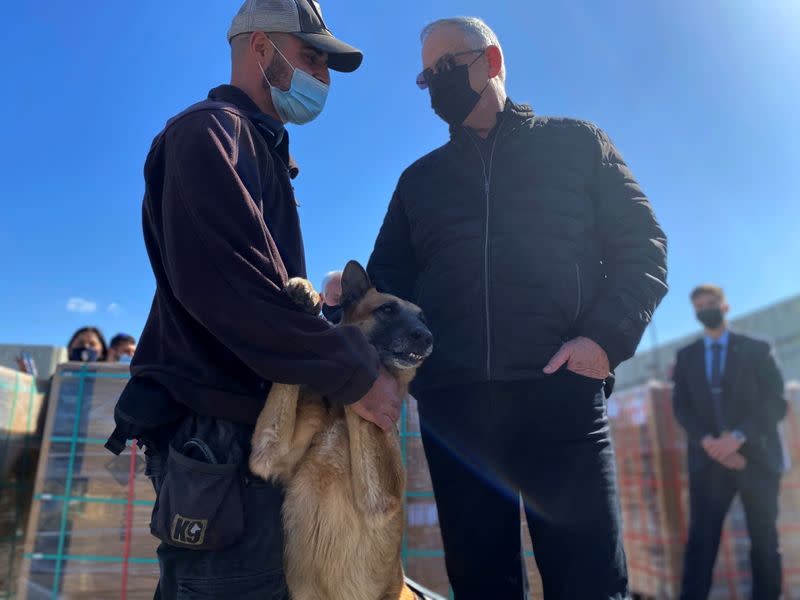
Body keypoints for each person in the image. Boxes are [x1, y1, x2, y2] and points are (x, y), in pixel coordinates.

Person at [107, 2, 403, 598]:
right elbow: (228, 288)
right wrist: (352, 372)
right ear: (260, 49)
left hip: (256, 433)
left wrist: (321, 323)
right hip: (217, 435)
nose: (321, 77)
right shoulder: (208, 132)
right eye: (310, 57)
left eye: (326, 66)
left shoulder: (263, 151)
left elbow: (262, 296)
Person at [367, 17, 668, 600]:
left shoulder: (578, 144)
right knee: (482, 586)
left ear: (494, 61)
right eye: (428, 79)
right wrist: (403, 365)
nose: (437, 85)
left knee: (590, 583)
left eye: (447, 68)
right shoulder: (418, 183)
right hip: (458, 413)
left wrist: (605, 341)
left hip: (561, 400)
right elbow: (388, 286)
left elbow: (644, 247)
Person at [673, 284, 786, 600]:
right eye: (699, 306)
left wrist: (737, 438)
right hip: (709, 463)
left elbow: (776, 402)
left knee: (764, 542)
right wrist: (712, 444)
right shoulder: (686, 358)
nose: (705, 310)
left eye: (711, 303)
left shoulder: (757, 349)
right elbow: (681, 408)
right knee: (701, 543)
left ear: (725, 307)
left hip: (757, 460)